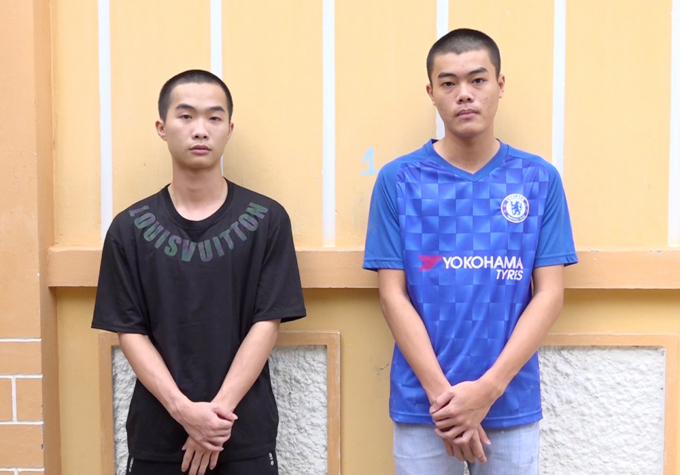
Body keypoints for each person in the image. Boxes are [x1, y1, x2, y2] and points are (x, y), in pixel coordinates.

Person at [363, 28, 577, 474]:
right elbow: (392, 295)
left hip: (509, 400)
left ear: (500, 85)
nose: (464, 94)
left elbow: (549, 294)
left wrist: (487, 390)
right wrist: (446, 401)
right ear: (431, 92)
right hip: (425, 406)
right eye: (449, 83)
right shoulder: (397, 180)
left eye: (477, 80)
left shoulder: (538, 179)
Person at [92, 69, 306, 475]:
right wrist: (184, 411)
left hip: (242, 434)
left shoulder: (267, 220)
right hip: (158, 437)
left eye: (214, 117)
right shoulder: (129, 228)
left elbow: (268, 322)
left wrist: (214, 418)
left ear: (229, 129)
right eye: (186, 116)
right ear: (162, 127)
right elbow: (130, 331)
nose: (200, 130)